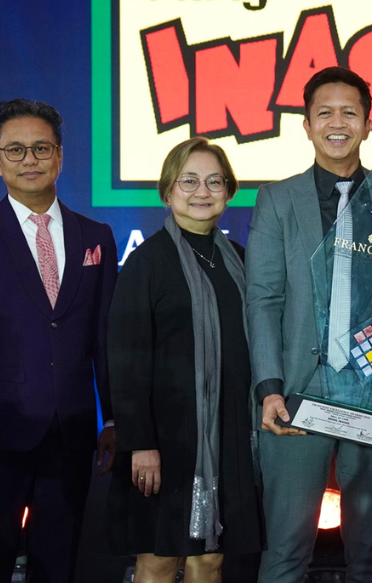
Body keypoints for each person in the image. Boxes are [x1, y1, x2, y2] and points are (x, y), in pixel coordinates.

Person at [245, 67, 372, 583]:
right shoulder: (277, 199)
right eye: (325, 113)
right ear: (306, 125)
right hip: (298, 394)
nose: (338, 123)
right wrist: (268, 387)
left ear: (368, 124)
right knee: (285, 552)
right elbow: (263, 299)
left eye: (350, 112)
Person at [0, 99, 119, 583]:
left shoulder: (96, 236)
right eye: (15, 150)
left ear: (60, 156)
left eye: (41, 148)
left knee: (58, 563)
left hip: (72, 430)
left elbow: (104, 336)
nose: (29, 159)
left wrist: (113, 417)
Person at [106, 137, 261, 582]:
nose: (202, 192)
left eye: (215, 181)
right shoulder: (146, 262)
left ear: (229, 191)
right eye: (189, 181)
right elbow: (127, 360)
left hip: (228, 434)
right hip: (165, 441)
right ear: (168, 190)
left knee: (210, 560)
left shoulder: (241, 261)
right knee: (159, 559)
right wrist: (141, 444)